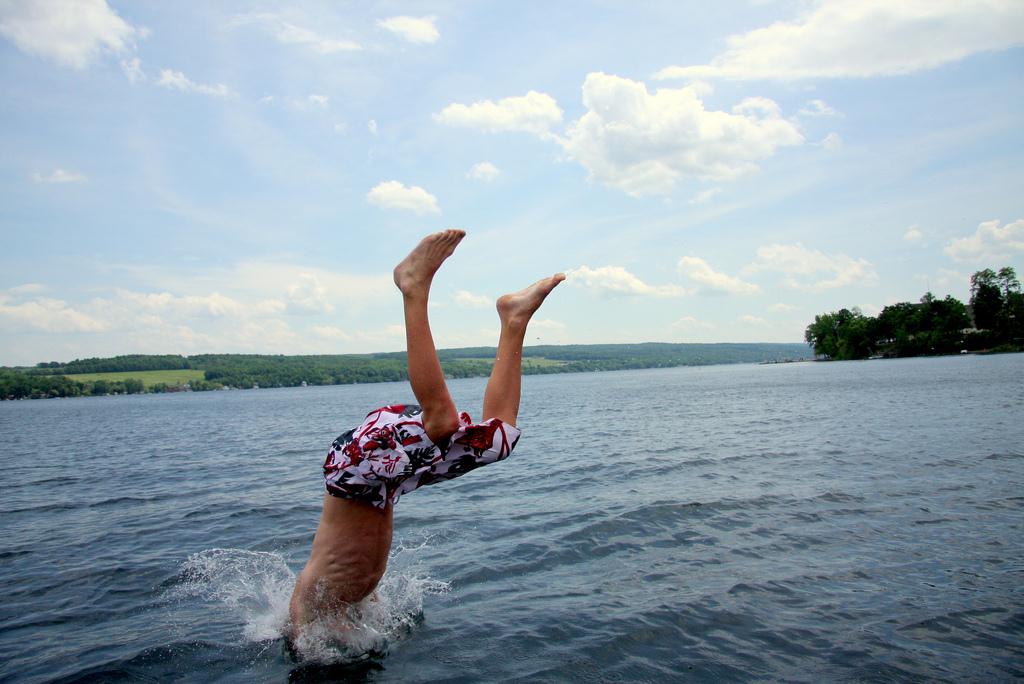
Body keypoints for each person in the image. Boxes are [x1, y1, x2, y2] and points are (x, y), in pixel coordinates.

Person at [289, 229, 564, 637]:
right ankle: (515, 319)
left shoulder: (308, 622)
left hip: (353, 471)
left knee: (442, 423)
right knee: (497, 440)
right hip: (382, 485)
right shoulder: (350, 608)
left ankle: (413, 286)